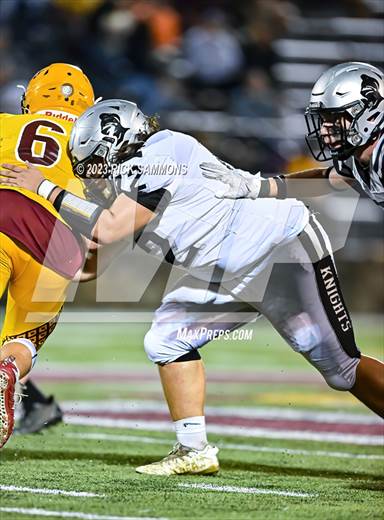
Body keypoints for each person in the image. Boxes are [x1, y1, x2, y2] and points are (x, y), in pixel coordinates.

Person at [1, 98, 383, 478]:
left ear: (119, 143)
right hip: (229, 276)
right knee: (166, 340)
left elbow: (108, 228)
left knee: (342, 369)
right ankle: (193, 449)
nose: (93, 178)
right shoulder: (127, 186)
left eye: (96, 165)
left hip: (280, 249)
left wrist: (45, 188)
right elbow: (96, 258)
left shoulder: (163, 150)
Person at [0, 62, 96, 447]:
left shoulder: (7, 124)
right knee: (26, 339)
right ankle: (8, 369)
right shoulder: (96, 139)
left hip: (5, 216)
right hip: (61, 244)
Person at [199, 62, 383, 206]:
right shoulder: (358, 158)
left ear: (370, 113)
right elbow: (327, 179)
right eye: (323, 119)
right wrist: (256, 187)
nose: (324, 129)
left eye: (334, 118)